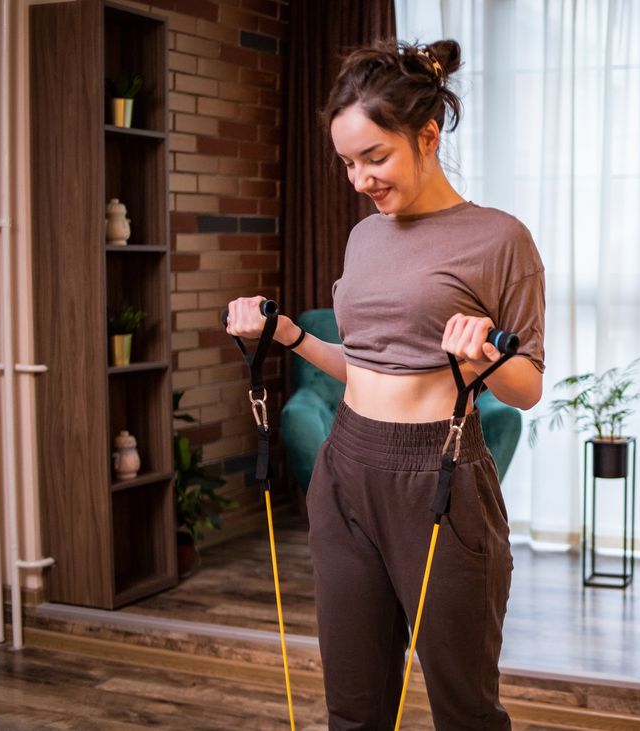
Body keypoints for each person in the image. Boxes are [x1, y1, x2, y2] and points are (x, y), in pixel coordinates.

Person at [225, 38, 545, 731]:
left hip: (441, 478)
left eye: (375, 157)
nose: (360, 178)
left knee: (465, 710)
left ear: (427, 136)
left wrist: (484, 357)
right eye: (347, 162)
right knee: (356, 708)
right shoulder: (365, 237)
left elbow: (527, 388)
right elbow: (368, 365)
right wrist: (288, 335)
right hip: (346, 469)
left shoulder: (499, 239)